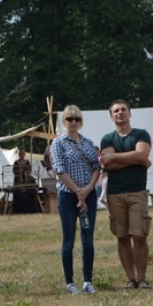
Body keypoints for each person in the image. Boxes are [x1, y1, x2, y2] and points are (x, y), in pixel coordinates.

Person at [100, 99, 153, 289]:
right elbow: (107, 163)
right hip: (115, 194)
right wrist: (137, 159)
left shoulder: (141, 134)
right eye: (116, 111)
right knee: (122, 237)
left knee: (139, 236)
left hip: (137, 191)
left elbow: (142, 155)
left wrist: (115, 157)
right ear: (111, 116)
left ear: (130, 113)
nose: (120, 113)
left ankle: (142, 278)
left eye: (123, 110)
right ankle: (131, 278)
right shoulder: (107, 139)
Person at [49, 105, 101, 294]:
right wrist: (78, 192)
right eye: (69, 119)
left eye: (76, 119)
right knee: (69, 239)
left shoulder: (87, 142)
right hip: (68, 196)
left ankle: (88, 281)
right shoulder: (58, 143)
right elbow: (60, 170)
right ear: (64, 121)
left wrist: (88, 190)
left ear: (80, 122)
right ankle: (70, 283)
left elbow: (97, 167)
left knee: (88, 240)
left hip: (89, 195)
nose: (73, 123)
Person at [11, 148, 40, 214]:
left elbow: (29, 170)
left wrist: (25, 171)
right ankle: (18, 210)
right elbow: (14, 171)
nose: (21, 155)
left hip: (26, 181)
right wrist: (19, 171)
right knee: (18, 194)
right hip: (18, 181)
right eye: (20, 154)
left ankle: (29, 209)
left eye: (22, 154)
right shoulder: (16, 162)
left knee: (29, 194)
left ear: (24, 155)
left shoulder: (27, 162)